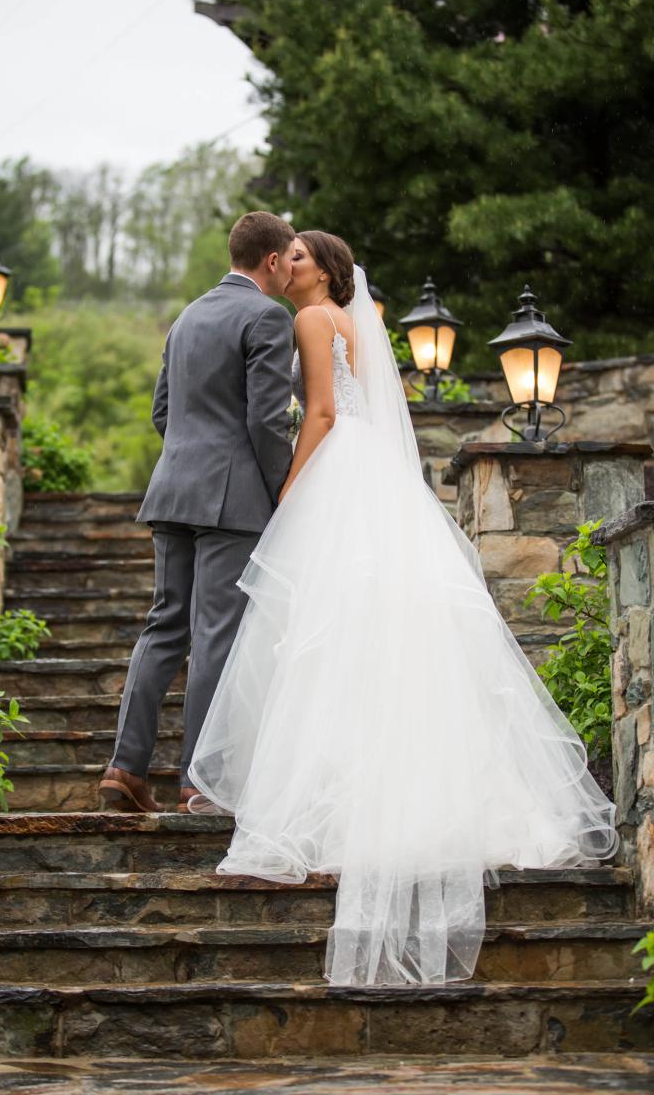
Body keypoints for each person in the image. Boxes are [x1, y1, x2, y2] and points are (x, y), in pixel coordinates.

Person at [188, 230, 618, 986]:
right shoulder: (353, 323)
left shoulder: (311, 319)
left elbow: (322, 414)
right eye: (285, 254)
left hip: (337, 473)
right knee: (379, 634)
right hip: (376, 478)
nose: (286, 263)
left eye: (298, 256)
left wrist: (288, 491)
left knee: (330, 633)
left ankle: (334, 800)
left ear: (326, 272)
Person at [99, 211, 296, 813]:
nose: (292, 271)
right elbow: (267, 421)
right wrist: (284, 491)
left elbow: (162, 411)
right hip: (232, 499)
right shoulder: (268, 317)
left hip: (173, 489)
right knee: (215, 633)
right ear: (271, 260)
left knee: (164, 625)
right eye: (289, 260)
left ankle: (124, 769)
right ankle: (198, 781)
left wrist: (191, 455)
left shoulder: (187, 315)